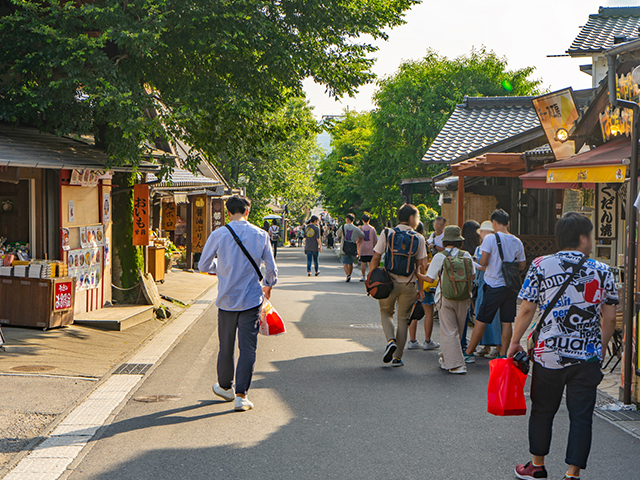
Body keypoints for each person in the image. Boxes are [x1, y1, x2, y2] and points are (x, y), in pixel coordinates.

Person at [509, 212, 617, 480]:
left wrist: (515, 341)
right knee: (581, 417)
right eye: (590, 236)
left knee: (543, 410)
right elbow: (611, 317)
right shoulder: (603, 270)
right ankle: (572, 474)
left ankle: (536, 466)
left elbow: (526, 308)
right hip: (587, 357)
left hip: (549, 355)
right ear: (582, 238)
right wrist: (600, 347)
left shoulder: (541, 264)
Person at [198, 195, 278, 412]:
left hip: (226, 300)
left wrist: (221, 269)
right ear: (247, 212)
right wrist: (269, 284)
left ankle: (225, 387)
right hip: (251, 300)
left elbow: (203, 264)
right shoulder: (261, 235)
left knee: (226, 345)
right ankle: (241, 396)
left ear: (227, 211)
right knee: (248, 347)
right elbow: (271, 269)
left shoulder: (219, 234)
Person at [369, 204, 427, 367]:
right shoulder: (419, 237)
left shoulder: (387, 232)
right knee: (403, 320)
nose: (418, 220)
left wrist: (371, 278)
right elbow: (421, 266)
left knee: (386, 313)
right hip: (408, 285)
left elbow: (375, 258)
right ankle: (397, 357)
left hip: (388, 283)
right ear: (411, 218)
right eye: (417, 217)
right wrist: (420, 289)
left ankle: (390, 341)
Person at [464, 209, 525, 361]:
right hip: (510, 288)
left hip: (494, 286)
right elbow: (522, 265)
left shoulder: (490, 239)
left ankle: (469, 352)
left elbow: (483, 262)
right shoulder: (517, 241)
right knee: (506, 322)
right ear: (508, 223)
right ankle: (504, 354)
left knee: (481, 319)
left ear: (494, 223)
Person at [417, 225, 475, 374]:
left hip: (445, 297)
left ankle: (457, 365)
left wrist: (419, 275)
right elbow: (473, 276)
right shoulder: (466, 255)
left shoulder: (440, 256)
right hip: (464, 297)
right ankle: (446, 357)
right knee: (458, 330)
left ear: (445, 241)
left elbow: (430, 278)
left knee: (449, 331)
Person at [407, 221, 440, 351]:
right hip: (423, 281)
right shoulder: (422, 243)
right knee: (428, 311)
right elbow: (423, 265)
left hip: (409, 280)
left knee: (413, 310)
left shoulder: (407, 242)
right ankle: (427, 341)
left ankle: (412, 340)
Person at [473, 221, 502, 359]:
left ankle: (498, 346)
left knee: (495, 316)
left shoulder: (496, 248)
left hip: (492, 283)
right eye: (483, 231)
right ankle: (485, 346)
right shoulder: (478, 249)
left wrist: (478, 266)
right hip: (481, 283)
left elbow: (488, 266)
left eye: (487, 231)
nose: (484, 234)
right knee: (480, 313)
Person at [460, 220, 480, 351]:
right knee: (477, 316)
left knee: (464, 316)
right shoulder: (478, 250)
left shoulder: (461, 251)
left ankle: (462, 343)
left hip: (463, 286)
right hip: (477, 285)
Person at [337, 213, 364, 282]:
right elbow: (362, 235)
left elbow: (338, 234)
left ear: (348, 219)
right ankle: (350, 274)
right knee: (351, 262)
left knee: (345, 262)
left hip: (344, 247)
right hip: (352, 247)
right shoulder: (356, 228)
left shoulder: (343, 227)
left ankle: (347, 275)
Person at [357, 213, 378, 282]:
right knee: (370, 263)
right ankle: (370, 276)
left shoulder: (360, 228)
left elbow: (358, 240)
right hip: (370, 248)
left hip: (362, 248)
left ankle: (363, 276)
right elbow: (375, 240)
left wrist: (358, 248)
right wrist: (375, 248)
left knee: (363, 262)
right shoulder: (372, 229)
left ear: (362, 220)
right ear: (369, 220)